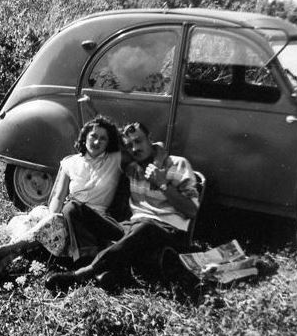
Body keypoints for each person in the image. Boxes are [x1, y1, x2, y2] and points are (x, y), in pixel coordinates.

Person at [45, 121, 199, 292]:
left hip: (166, 232)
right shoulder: (133, 167)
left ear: (150, 140)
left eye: (138, 141)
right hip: (132, 228)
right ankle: (98, 270)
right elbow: (104, 140)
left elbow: (192, 210)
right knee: (73, 208)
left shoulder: (179, 164)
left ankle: (83, 274)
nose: (134, 148)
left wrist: (163, 184)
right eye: (129, 145)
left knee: (146, 225)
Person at [0, 115, 126, 281]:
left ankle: (3, 251)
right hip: (66, 216)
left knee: (46, 222)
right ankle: (2, 262)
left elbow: (144, 144)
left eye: (103, 139)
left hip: (91, 223)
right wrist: (54, 216)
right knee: (36, 216)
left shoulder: (114, 160)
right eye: (93, 136)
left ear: (109, 142)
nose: (97, 142)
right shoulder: (70, 162)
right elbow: (57, 197)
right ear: (85, 137)